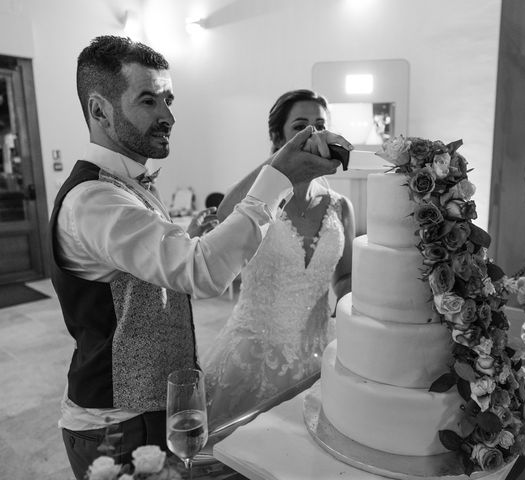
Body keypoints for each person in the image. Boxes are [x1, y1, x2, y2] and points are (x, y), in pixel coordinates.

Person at [49, 37, 351, 480]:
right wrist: (278, 179)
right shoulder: (94, 200)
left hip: (157, 404)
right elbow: (203, 273)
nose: (169, 115)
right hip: (115, 422)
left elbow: (152, 269)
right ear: (99, 111)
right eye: (148, 100)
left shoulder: (128, 184)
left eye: (169, 99)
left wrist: (188, 239)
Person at [200, 89, 355, 428]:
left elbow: (345, 278)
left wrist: (351, 316)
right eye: (300, 126)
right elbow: (226, 213)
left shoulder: (341, 206)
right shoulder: (260, 201)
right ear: (278, 137)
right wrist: (281, 162)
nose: (312, 135)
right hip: (253, 352)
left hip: (318, 348)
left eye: (319, 125)